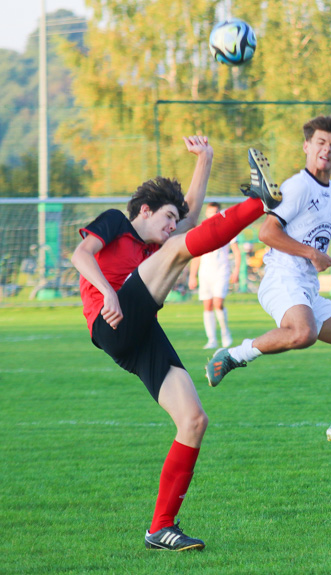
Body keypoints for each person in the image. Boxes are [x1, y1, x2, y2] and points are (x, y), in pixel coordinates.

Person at [71, 137, 282, 551]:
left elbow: (191, 218)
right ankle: (259, 202)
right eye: (166, 216)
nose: (172, 225)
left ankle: (160, 528)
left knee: (193, 420)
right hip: (111, 321)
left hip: (139, 332)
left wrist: (205, 159)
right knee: (176, 249)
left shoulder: (156, 243)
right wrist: (107, 293)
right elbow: (81, 255)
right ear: (145, 211)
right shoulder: (118, 221)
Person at [205, 115, 331, 457]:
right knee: (302, 333)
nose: (328, 149)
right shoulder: (297, 186)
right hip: (281, 279)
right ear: (307, 146)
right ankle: (233, 355)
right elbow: (267, 233)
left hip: (306, 290)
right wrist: (311, 252)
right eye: (321, 142)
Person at [188, 202, 242, 349]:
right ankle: (212, 339)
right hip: (205, 272)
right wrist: (193, 275)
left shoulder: (228, 228)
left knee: (218, 302)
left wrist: (236, 270)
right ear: (206, 213)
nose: (213, 215)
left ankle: (225, 333)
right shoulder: (201, 230)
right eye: (211, 212)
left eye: (216, 212)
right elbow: (197, 255)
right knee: (208, 305)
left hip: (222, 271)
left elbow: (236, 251)